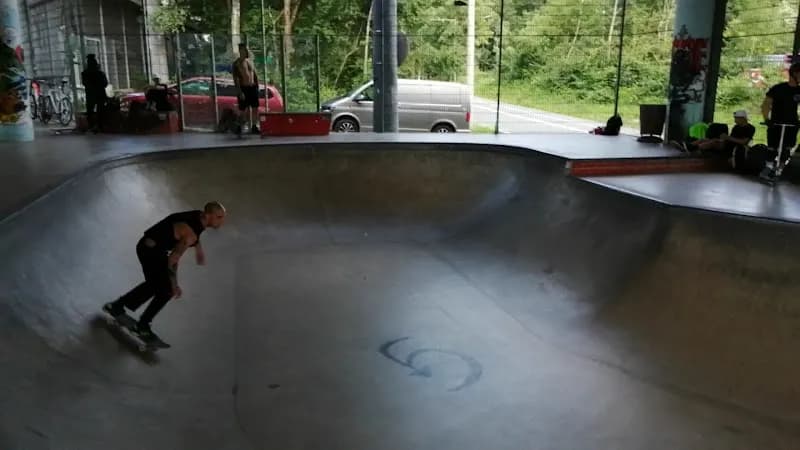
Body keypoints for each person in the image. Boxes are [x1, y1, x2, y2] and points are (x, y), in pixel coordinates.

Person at [103, 202, 227, 338]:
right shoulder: (190, 234)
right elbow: (173, 259)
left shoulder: (198, 215)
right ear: (208, 215)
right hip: (150, 251)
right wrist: (175, 285)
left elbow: (183, 224)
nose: (222, 221)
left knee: (155, 284)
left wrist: (198, 248)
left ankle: (117, 306)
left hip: (152, 247)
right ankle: (142, 325)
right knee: (166, 290)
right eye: (219, 217)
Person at [761, 61, 800, 162]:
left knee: (786, 151)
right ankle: (769, 167)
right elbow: (766, 104)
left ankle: (781, 169)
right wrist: (766, 119)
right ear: (794, 73)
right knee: (772, 149)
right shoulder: (778, 88)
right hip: (775, 123)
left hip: (792, 124)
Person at [688, 110, 755, 157]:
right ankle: (688, 146)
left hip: (736, 148)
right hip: (728, 143)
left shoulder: (750, 128)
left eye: (736, 118)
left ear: (742, 118)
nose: (735, 120)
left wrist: (728, 138)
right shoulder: (736, 127)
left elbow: (744, 142)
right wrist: (724, 139)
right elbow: (731, 138)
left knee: (714, 142)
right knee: (705, 139)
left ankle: (694, 149)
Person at [232, 43, 260, 134]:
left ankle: (254, 126)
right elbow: (236, 79)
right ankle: (239, 126)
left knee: (255, 107)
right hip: (244, 88)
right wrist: (240, 92)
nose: (245, 52)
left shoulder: (250, 61)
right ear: (240, 51)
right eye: (243, 50)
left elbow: (254, 74)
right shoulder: (237, 64)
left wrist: (257, 86)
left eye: (246, 50)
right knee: (243, 109)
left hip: (252, 87)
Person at [81, 54, 109, 133]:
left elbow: (84, 83)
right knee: (101, 111)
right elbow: (105, 83)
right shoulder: (100, 73)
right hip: (100, 93)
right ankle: (100, 126)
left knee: (90, 111)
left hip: (90, 94)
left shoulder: (84, 73)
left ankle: (92, 126)